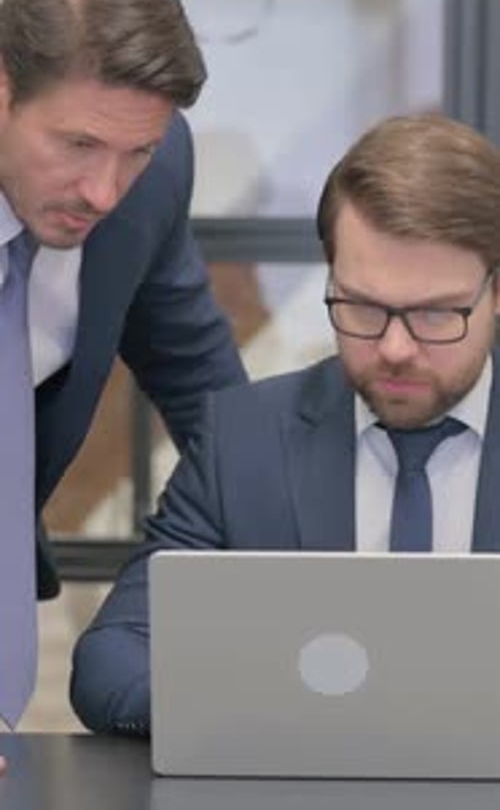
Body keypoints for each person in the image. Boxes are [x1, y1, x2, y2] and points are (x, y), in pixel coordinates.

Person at [70, 112, 500, 735]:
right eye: (362, 306)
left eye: (436, 315)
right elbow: (110, 660)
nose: (397, 348)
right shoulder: (245, 440)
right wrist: (254, 710)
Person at [0, 0, 246, 736]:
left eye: (134, 151)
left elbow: (201, 383)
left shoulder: (156, 176)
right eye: (77, 146)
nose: (104, 192)